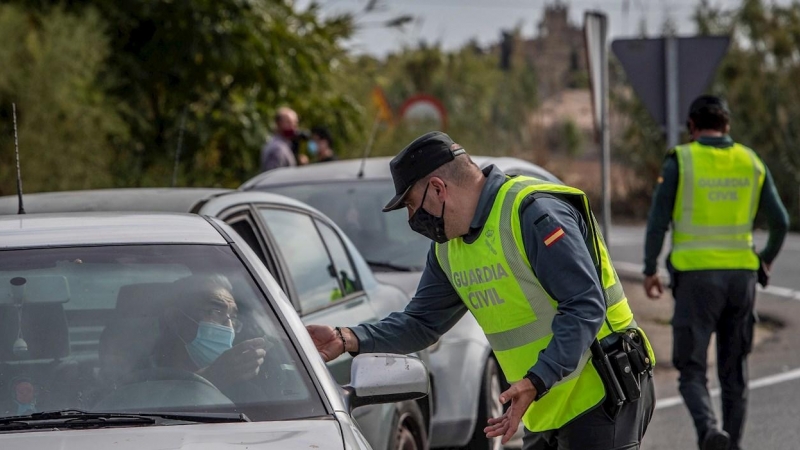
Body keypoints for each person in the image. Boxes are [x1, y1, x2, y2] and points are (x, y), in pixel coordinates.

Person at [307, 131, 656, 450]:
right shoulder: (448, 249)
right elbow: (421, 323)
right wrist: (348, 337)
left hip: (602, 393)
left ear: (439, 189)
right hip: (542, 403)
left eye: (412, 205)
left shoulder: (531, 213)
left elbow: (585, 305)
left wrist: (537, 378)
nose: (412, 219)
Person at [643, 95, 789, 450]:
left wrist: (650, 269)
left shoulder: (681, 159)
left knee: (692, 370)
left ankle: (710, 433)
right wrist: (764, 258)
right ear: (728, 126)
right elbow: (781, 221)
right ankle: (732, 444)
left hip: (696, 282)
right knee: (734, 372)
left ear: (692, 127)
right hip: (742, 280)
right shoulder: (750, 160)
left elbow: (658, 222)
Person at [152, 275, 268, 390]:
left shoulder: (246, 392)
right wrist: (209, 380)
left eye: (233, 317)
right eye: (215, 311)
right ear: (175, 319)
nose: (229, 327)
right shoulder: (144, 378)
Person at [260, 107, 300, 172]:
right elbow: (273, 176)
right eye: (289, 123)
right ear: (278, 124)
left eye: (295, 123)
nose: (293, 126)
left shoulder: (285, 145)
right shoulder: (277, 149)